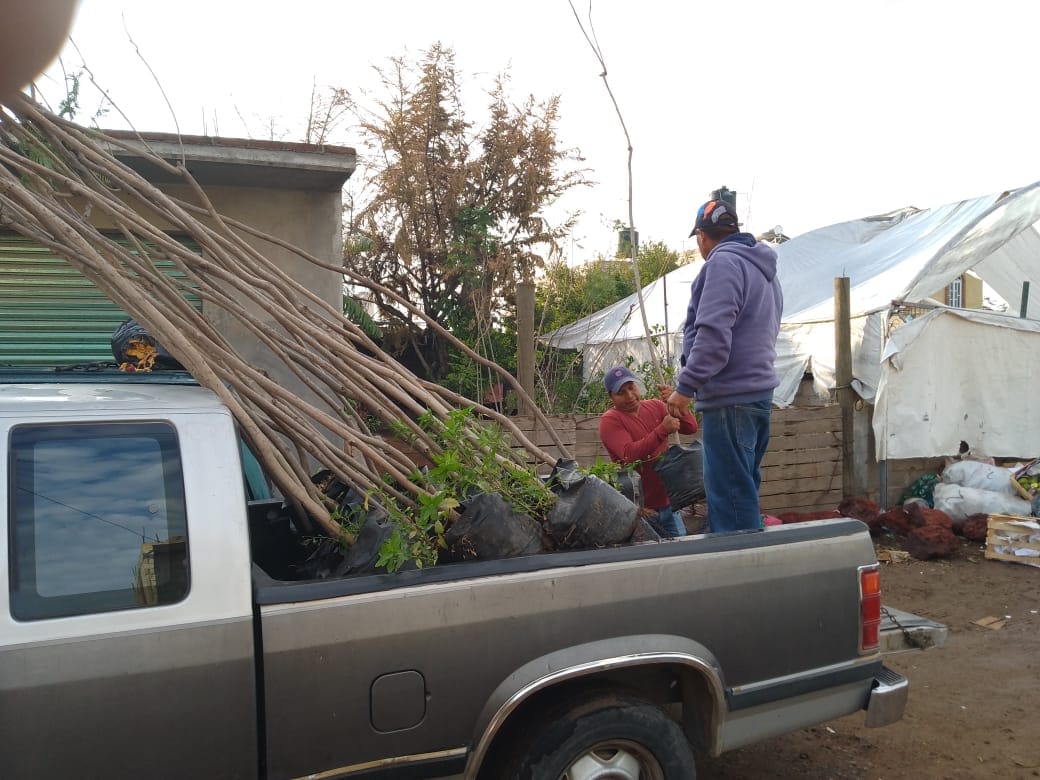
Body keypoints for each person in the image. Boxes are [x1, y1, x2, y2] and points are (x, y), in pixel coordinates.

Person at [666, 198, 783, 533]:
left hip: (730, 400)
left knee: (731, 504)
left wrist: (684, 388)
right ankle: (737, 571)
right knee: (739, 494)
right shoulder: (765, 273)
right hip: (757, 398)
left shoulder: (723, 264)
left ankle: (744, 581)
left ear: (702, 236)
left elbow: (714, 340)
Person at [599, 366, 698, 537]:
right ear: (611, 396)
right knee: (647, 556)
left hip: (669, 500)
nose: (629, 395)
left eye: (631, 388)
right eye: (621, 392)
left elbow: (691, 427)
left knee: (681, 553)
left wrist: (675, 402)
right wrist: (662, 430)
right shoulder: (610, 420)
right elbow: (629, 455)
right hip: (640, 509)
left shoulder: (656, 406)